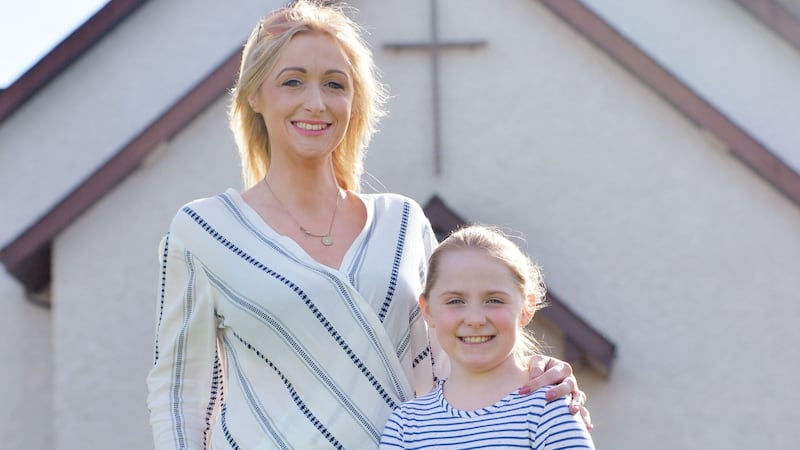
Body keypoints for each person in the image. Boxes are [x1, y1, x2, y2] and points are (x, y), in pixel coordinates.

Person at [146, 1, 589, 449]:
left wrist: (534, 379)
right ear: (255, 95)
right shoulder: (204, 230)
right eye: (292, 81)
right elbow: (179, 393)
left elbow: (449, 361)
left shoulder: (402, 223)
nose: (315, 102)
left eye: (334, 84)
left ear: (353, 100)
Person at [379, 225, 595, 449]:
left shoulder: (548, 408)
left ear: (527, 307)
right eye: (455, 301)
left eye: (494, 300)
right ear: (428, 310)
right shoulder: (406, 425)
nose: (475, 319)